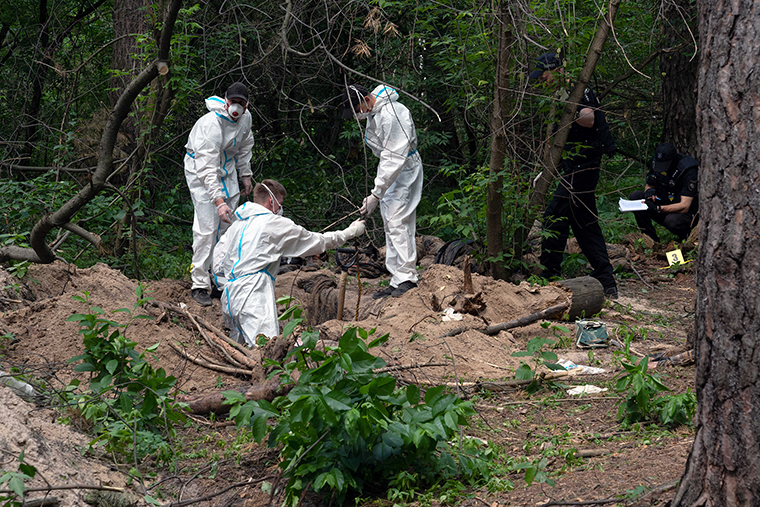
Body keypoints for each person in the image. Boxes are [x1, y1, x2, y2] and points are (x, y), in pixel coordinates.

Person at [212, 179, 366, 347]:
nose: (280, 209)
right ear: (272, 201)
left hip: (229, 296)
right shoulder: (273, 223)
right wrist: (348, 233)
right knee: (267, 350)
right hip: (253, 294)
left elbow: (217, 262)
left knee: (241, 352)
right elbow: (316, 241)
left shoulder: (237, 225)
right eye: (280, 203)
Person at [530, 52, 619, 298]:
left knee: (554, 216)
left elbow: (589, 120)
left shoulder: (579, 91)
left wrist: (567, 108)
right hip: (572, 166)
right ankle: (606, 279)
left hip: (585, 165)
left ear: (556, 71)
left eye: (544, 75)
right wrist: (545, 171)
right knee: (584, 225)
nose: (541, 81)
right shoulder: (559, 95)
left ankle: (548, 275)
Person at [341, 84, 423, 299]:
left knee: (398, 221)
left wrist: (376, 194)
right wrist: (377, 193)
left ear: (367, 100)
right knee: (390, 223)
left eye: (357, 108)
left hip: (404, 168)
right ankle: (397, 278)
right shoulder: (376, 112)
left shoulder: (391, 115)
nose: (357, 114)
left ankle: (407, 278)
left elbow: (393, 157)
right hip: (391, 169)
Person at [184, 82, 255, 307]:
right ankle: (199, 283)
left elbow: (245, 146)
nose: (236, 107)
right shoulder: (211, 124)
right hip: (200, 169)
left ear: (247, 104)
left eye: (241, 103)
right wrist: (218, 200)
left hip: (227, 168)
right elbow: (206, 167)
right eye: (232, 102)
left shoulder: (246, 119)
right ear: (226, 101)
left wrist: (245, 175)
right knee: (207, 227)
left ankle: (219, 278)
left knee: (228, 227)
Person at [628, 143, 699, 242]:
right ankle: (650, 238)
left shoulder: (688, 170)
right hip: (663, 202)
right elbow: (649, 184)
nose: (661, 168)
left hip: (682, 213)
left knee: (672, 221)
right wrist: (649, 191)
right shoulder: (656, 163)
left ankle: (686, 238)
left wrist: (657, 209)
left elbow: (685, 206)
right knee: (636, 197)